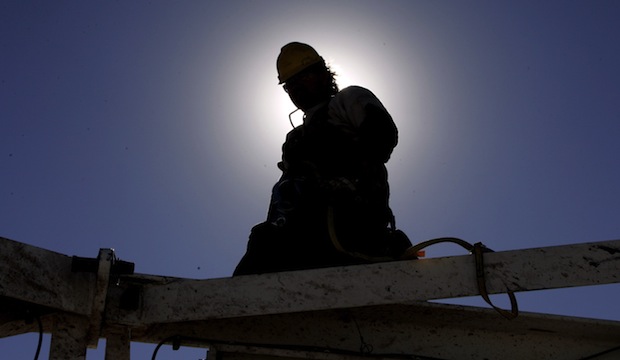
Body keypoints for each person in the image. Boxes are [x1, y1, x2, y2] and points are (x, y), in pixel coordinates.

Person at [233, 42, 410, 276]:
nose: (296, 88)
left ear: (323, 74)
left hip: (352, 223)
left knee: (267, 242)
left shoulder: (347, 101)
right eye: (290, 85)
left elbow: (382, 135)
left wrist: (346, 175)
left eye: (303, 77)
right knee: (263, 240)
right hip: (304, 234)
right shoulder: (295, 139)